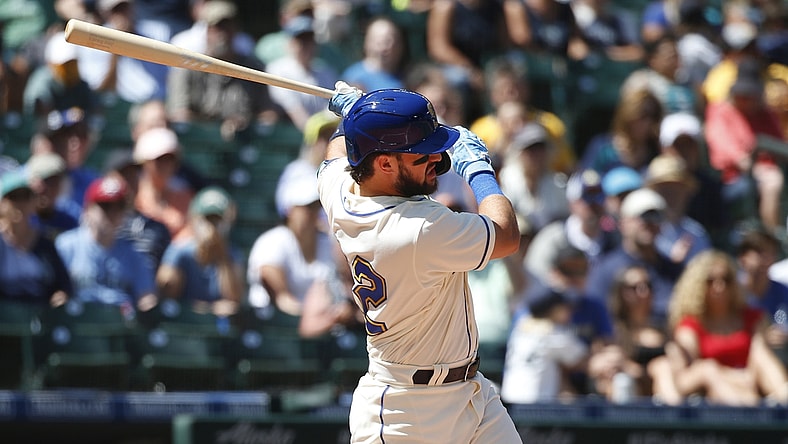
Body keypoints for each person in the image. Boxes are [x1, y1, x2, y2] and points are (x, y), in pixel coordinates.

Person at [320, 84, 522, 442]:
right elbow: (505, 235)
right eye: (421, 156)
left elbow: (337, 153)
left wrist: (354, 118)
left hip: (472, 394)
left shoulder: (342, 190)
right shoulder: (417, 228)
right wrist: (478, 170)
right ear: (384, 163)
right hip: (406, 414)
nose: (437, 161)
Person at [649, 250, 788, 406]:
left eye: (726, 280)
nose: (719, 287)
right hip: (715, 391)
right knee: (708, 369)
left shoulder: (752, 318)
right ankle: (749, 416)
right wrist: (733, 376)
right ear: (698, 285)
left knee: (761, 356)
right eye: (711, 281)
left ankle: (784, 401)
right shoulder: (690, 325)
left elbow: (760, 354)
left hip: (753, 380)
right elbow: (688, 374)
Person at [166, 0, 279, 140]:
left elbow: (268, 114)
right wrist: (214, 129)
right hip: (200, 144)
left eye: (228, 26)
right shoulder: (189, 67)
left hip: (244, 143)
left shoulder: (252, 68)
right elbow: (179, 114)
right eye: (218, 27)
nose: (223, 33)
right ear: (207, 31)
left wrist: (246, 123)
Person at [705, 57, 787, 231]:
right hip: (732, 180)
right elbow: (730, 156)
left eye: (750, 95)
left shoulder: (765, 113)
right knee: (772, 180)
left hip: (766, 173)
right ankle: (773, 237)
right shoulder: (721, 111)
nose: (746, 100)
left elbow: (780, 147)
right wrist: (759, 169)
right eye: (742, 95)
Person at [55, 175, 157, 313]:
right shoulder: (66, 246)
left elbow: (146, 298)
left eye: (119, 207)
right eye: (105, 206)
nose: (112, 213)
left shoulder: (134, 255)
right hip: (79, 326)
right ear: (88, 210)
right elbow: (55, 293)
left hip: (121, 329)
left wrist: (149, 307)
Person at [585, 187, 683, 321]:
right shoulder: (606, 271)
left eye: (656, 217)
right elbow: (595, 318)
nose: (650, 223)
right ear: (624, 223)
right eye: (643, 216)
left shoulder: (673, 271)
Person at [247, 173, 335, 315]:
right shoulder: (272, 241)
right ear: (290, 210)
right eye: (307, 207)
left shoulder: (328, 242)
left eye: (316, 207)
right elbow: (282, 300)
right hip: (273, 323)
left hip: (314, 322)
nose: (312, 213)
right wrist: (320, 316)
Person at [156, 186, 243, 316]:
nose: (212, 225)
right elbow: (166, 292)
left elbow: (235, 298)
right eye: (208, 219)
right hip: (184, 320)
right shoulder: (180, 250)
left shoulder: (232, 254)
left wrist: (221, 255)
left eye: (217, 220)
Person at [524, 168, 618, 282]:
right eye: (586, 197)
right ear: (572, 203)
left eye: (598, 196)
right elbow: (534, 278)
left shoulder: (616, 238)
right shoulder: (553, 240)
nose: (594, 204)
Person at [500, 286, 588, 404]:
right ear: (553, 310)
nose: (569, 311)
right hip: (537, 404)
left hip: (509, 398)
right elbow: (583, 359)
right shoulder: (553, 333)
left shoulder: (520, 327)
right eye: (564, 307)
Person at [0, 168, 71, 306]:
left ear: (34, 203)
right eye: (14, 198)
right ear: (2, 204)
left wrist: (61, 296)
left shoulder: (46, 245)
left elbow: (63, 286)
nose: (19, 204)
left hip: (38, 321)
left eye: (25, 197)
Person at [600, 265, 668, 401]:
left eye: (647, 286)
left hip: (662, 388)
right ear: (621, 292)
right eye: (634, 287)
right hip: (629, 392)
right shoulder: (612, 330)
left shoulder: (665, 328)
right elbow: (608, 364)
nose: (643, 292)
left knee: (662, 367)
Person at [103, 148, 171, 271]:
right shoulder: (98, 225)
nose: (130, 181)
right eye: (124, 175)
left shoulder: (157, 229)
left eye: (134, 175)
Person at [265, 15, 337, 131]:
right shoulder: (278, 70)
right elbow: (297, 115)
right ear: (290, 43)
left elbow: (334, 111)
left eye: (310, 40)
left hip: (322, 135)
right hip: (289, 138)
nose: (307, 46)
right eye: (301, 41)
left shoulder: (325, 71)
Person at [498, 121, 570, 232]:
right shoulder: (507, 178)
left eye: (540, 149)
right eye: (530, 150)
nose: (536, 155)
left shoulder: (558, 183)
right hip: (517, 240)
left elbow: (563, 219)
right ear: (520, 153)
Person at [644, 153, 711, 265]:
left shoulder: (697, 233)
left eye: (676, 190)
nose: (671, 197)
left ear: (687, 194)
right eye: (664, 190)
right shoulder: (645, 232)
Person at [578, 88, 664, 176]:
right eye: (644, 114)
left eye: (654, 116)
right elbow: (586, 178)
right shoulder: (603, 147)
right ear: (629, 115)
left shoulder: (656, 150)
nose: (648, 122)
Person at [132, 126, 194, 239]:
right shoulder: (133, 197)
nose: (165, 165)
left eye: (170, 159)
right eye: (159, 160)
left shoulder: (184, 197)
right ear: (144, 162)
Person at [340, 16, 408, 92]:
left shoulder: (408, 77)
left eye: (388, 41)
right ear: (366, 43)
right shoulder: (354, 77)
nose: (383, 48)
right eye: (378, 42)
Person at [25, 151, 79, 241]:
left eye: (54, 182)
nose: (48, 189)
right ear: (31, 183)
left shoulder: (69, 222)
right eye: (45, 181)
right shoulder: (18, 217)